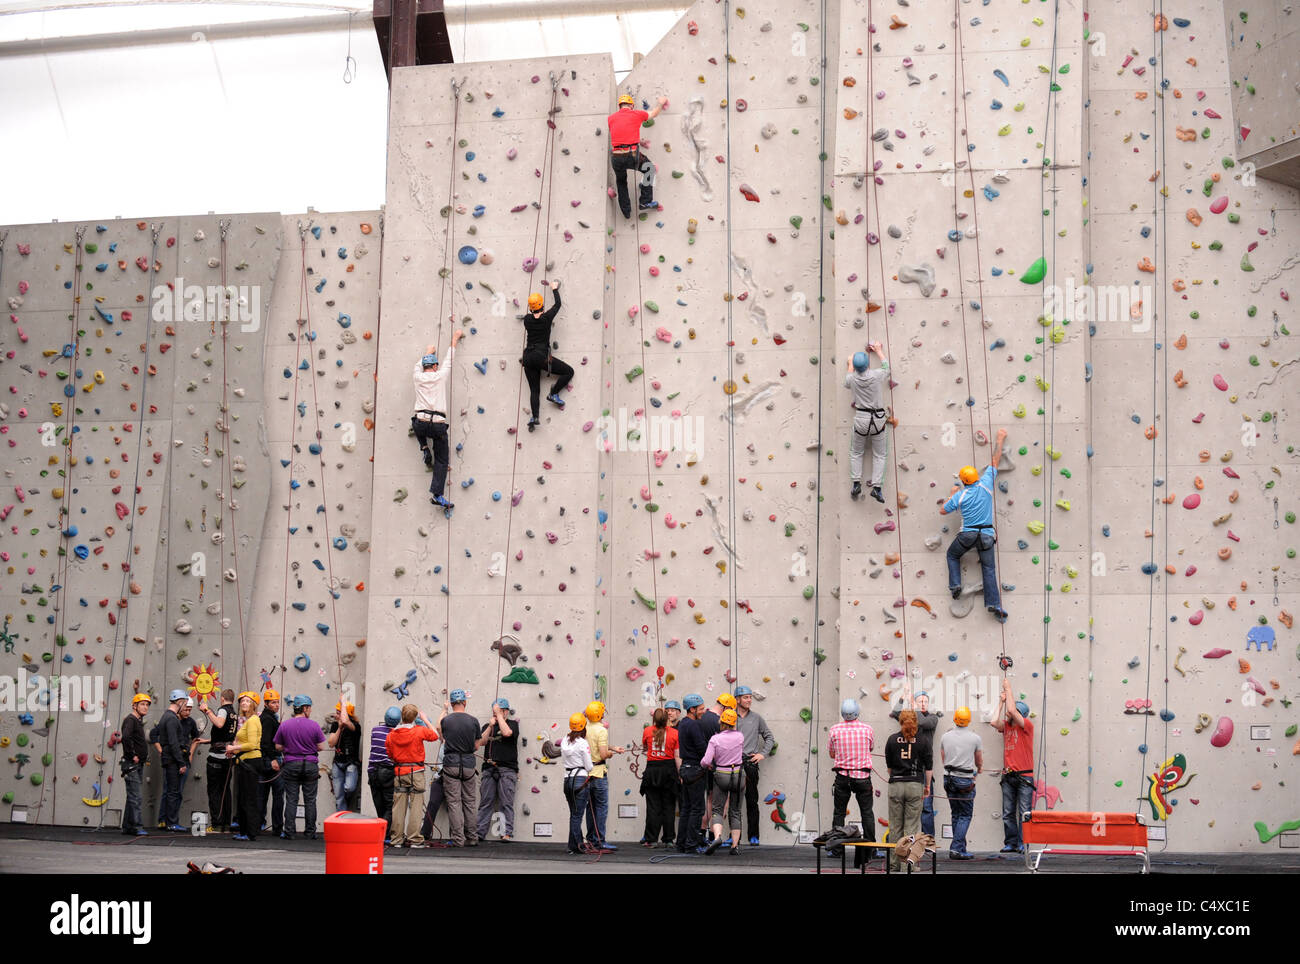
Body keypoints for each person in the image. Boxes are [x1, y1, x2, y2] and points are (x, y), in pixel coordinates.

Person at [941, 426, 1009, 622]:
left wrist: (952, 493)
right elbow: (995, 460)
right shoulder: (986, 483)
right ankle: (994, 604)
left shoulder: (961, 495)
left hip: (968, 535)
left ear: (963, 481)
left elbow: (943, 510)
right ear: (977, 478)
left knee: (952, 555)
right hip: (987, 535)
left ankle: (955, 586)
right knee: (988, 569)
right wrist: (1000, 438)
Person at [411, 329, 465, 510]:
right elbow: (450, 357)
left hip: (421, 422)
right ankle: (437, 495)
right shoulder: (441, 376)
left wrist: (428, 351)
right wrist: (455, 337)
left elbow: (418, 365)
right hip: (437, 426)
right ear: (435, 366)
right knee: (441, 460)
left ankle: (424, 447)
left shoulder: (417, 377)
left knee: (415, 421)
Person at [520, 281, 574, 432]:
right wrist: (554, 288)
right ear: (542, 305)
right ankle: (554, 393)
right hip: (541, 356)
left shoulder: (526, 319)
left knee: (534, 390)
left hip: (528, 358)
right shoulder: (546, 318)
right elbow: (557, 305)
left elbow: (533, 316)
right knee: (569, 371)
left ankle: (535, 417)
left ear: (530, 307)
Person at [827, 698, 876, 857]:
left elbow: (832, 753)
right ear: (857, 712)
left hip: (842, 777)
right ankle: (870, 849)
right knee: (867, 813)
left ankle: (837, 849)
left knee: (839, 813)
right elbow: (870, 748)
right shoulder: (867, 729)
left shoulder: (834, 730)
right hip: (862, 777)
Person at [385, 704, 440, 848]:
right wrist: (426, 720)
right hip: (416, 772)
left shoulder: (391, 735)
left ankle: (396, 839)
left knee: (398, 807)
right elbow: (435, 735)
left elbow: (390, 755)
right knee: (416, 806)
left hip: (399, 772)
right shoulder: (419, 731)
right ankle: (415, 839)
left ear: (402, 716)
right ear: (415, 718)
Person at [885, 709, 932, 871]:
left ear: (900, 722)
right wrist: (927, 786)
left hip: (896, 785)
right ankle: (908, 866)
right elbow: (929, 767)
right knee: (910, 827)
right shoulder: (923, 741)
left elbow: (889, 768)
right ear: (916, 722)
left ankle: (894, 864)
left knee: (895, 827)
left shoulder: (892, 740)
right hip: (914, 785)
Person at [607, 92, 668, 217]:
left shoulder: (610, 118)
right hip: (631, 154)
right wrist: (661, 103)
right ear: (631, 106)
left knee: (621, 181)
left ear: (620, 106)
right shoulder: (636, 114)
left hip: (616, 157)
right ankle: (645, 202)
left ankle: (626, 211)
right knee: (649, 168)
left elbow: (622, 132)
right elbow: (654, 113)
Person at [991, 679, 1034, 853]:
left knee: (1024, 812)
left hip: (1024, 776)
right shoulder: (1008, 727)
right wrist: (1000, 702)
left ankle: (1025, 843)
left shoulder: (1026, 726)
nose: (1008, 715)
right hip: (1009, 776)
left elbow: (1011, 710)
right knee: (1008, 812)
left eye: (1012, 713)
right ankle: (1011, 842)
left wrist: (1008, 689)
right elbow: (994, 721)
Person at [889, 691, 941, 836]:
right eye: (920, 701)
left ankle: (928, 842)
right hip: (907, 769)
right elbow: (895, 712)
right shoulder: (909, 719)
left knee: (926, 808)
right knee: (904, 811)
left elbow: (922, 722)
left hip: (923, 770)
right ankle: (906, 842)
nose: (923, 703)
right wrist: (902, 697)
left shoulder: (932, 718)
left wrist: (913, 705)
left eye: (925, 701)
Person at [437, 688, 484, 847]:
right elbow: (477, 746)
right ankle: (472, 837)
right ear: (465, 702)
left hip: (451, 764)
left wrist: (443, 711)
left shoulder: (446, 721)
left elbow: (441, 736)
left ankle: (458, 839)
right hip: (469, 764)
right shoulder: (473, 721)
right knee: (470, 802)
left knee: (454, 802)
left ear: (451, 704)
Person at [276, 695, 327, 840]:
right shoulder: (314, 725)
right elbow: (321, 747)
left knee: (291, 799)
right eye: (309, 708)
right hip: (310, 764)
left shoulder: (285, 725)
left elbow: (278, 746)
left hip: (291, 764)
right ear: (304, 708)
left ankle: (289, 831)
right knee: (310, 799)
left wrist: (289, 747)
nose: (310, 711)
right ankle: (310, 831)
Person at [845, 342, 890, 503]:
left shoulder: (851, 379)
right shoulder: (877, 375)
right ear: (868, 364)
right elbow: (887, 367)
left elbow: (847, 378)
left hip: (861, 419)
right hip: (877, 419)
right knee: (880, 455)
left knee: (856, 452)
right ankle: (877, 488)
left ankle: (856, 483)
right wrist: (878, 351)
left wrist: (850, 362)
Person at [940, 705, 983, 860]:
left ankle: (960, 848)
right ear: (969, 720)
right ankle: (957, 849)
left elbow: (943, 758)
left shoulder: (946, 736)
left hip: (949, 778)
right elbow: (978, 760)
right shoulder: (975, 738)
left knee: (956, 814)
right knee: (965, 815)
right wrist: (979, 768)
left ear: (955, 719)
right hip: (965, 780)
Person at [701, 708, 745, 855]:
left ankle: (718, 837)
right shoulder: (740, 737)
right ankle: (734, 846)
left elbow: (706, 760)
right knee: (736, 811)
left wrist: (706, 764)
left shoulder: (715, 739)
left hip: (721, 775)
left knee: (718, 809)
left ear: (721, 722)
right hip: (738, 775)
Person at [734, 685, 774, 847]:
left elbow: (769, 737)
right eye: (746, 697)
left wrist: (762, 754)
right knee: (734, 803)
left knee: (752, 801)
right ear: (737, 699)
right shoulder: (729, 716)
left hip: (750, 764)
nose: (749, 700)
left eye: (750, 697)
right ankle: (733, 836)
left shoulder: (756, 718)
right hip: (732, 764)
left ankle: (753, 836)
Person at [582, 700, 623, 852]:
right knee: (601, 807)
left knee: (590, 807)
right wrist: (611, 753)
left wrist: (613, 747)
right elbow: (604, 753)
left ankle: (592, 839)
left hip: (586, 774)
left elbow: (595, 745)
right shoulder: (602, 730)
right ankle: (600, 841)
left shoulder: (584, 728)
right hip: (599, 774)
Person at [476, 698, 520, 842]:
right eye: (495, 712)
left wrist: (500, 716)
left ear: (506, 711)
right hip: (489, 769)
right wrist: (490, 726)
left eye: (501, 711)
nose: (497, 714)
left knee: (506, 802)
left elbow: (507, 733)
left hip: (507, 769)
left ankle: (506, 832)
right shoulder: (487, 726)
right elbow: (480, 742)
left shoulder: (513, 724)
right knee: (486, 802)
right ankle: (479, 832)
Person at [224, 691, 263, 842]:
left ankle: (249, 832)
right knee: (244, 797)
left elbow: (253, 744)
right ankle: (245, 830)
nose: (244, 703)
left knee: (248, 798)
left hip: (251, 762)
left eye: (247, 701)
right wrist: (235, 750)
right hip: (246, 761)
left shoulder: (253, 720)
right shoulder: (249, 720)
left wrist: (233, 749)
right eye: (242, 701)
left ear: (253, 704)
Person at [640, 707, 679, 847]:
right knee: (669, 806)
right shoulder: (675, 733)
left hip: (652, 770)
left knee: (653, 806)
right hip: (668, 770)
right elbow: (677, 756)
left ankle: (651, 839)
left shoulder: (647, 731)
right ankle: (668, 839)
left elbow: (645, 747)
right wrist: (679, 775)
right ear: (667, 718)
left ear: (654, 719)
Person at [675, 693, 708, 854]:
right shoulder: (694, 725)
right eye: (701, 709)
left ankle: (681, 843)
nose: (703, 711)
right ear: (692, 709)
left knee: (687, 808)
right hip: (695, 769)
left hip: (685, 768)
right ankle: (691, 845)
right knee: (697, 809)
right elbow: (702, 748)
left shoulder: (682, 724)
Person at [200, 689, 236, 834]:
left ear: (222, 699)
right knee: (226, 791)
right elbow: (226, 733)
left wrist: (207, 710)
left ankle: (216, 824)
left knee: (214, 791)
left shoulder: (223, 710)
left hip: (217, 757)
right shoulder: (234, 713)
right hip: (228, 757)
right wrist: (209, 740)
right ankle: (226, 824)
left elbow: (220, 724)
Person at [154, 689, 188, 832]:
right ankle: (172, 822)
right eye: (185, 704)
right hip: (173, 760)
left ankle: (168, 821)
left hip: (168, 759)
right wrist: (181, 762)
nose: (185, 707)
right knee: (174, 792)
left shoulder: (165, 717)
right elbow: (174, 743)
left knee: (170, 792)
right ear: (179, 702)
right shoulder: (172, 719)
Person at [561, 712, 594, 855]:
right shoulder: (582, 743)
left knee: (574, 814)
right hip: (580, 779)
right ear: (583, 726)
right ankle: (578, 846)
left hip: (567, 779)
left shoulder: (564, 740)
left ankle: (573, 845)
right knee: (577, 815)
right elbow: (589, 766)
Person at [120, 693, 152, 836]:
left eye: (147, 705)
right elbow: (125, 737)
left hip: (135, 764)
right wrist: (132, 755)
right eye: (142, 704)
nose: (145, 707)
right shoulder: (131, 720)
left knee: (132, 796)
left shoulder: (137, 721)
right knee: (136, 796)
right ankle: (137, 826)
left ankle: (128, 826)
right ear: (135, 706)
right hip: (131, 764)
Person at [369, 706, 400, 837]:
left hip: (372, 771)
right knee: (390, 805)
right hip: (387, 771)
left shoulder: (375, 730)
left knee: (379, 804)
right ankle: (382, 834)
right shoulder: (397, 734)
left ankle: (382, 832)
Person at [257, 689, 284, 837]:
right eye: (273, 702)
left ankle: (259, 823)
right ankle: (277, 827)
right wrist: (273, 758)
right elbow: (266, 742)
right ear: (266, 703)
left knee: (262, 794)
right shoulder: (268, 719)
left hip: (265, 759)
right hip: (270, 759)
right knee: (278, 794)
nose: (277, 705)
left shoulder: (268, 717)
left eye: (278, 702)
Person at [327, 701, 362, 813]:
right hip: (338, 763)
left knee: (349, 787)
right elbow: (331, 743)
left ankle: (346, 801)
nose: (336, 715)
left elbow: (347, 722)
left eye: (339, 713)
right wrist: (339, 728)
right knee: (338, 795)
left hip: (351, 763)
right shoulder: (335, 725)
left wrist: (343, 703)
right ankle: (341, 818)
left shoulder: (355, 726)